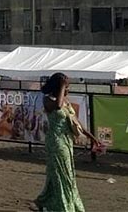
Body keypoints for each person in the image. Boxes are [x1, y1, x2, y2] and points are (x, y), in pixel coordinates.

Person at [34, 73, 101, 212]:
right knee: (62, 174)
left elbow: (76, 123)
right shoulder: (48, 100)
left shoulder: (66, 101)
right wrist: (62, 88)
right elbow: (58, 107)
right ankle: (63, 207)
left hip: (67, 141)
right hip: (56, 142)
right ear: (59, 87)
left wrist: (92, 138)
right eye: (66, 86)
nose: (68, 89)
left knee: (60, 174)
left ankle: (45, 201)